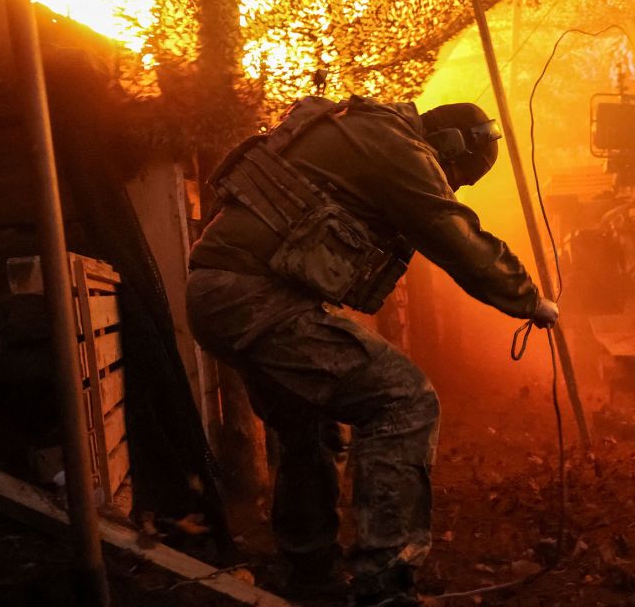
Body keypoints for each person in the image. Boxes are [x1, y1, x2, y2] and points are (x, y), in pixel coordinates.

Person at [185, 95, 558, 606]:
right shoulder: (396, 147)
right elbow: (452, 233)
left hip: (225, 292)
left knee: (307, 427)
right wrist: (529, 299)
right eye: (457, 174)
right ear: (446, 145)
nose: (452, 185)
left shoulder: (362, 132)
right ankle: (384, 582)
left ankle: (312, 579)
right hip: (254, 298)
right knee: (403, 399)